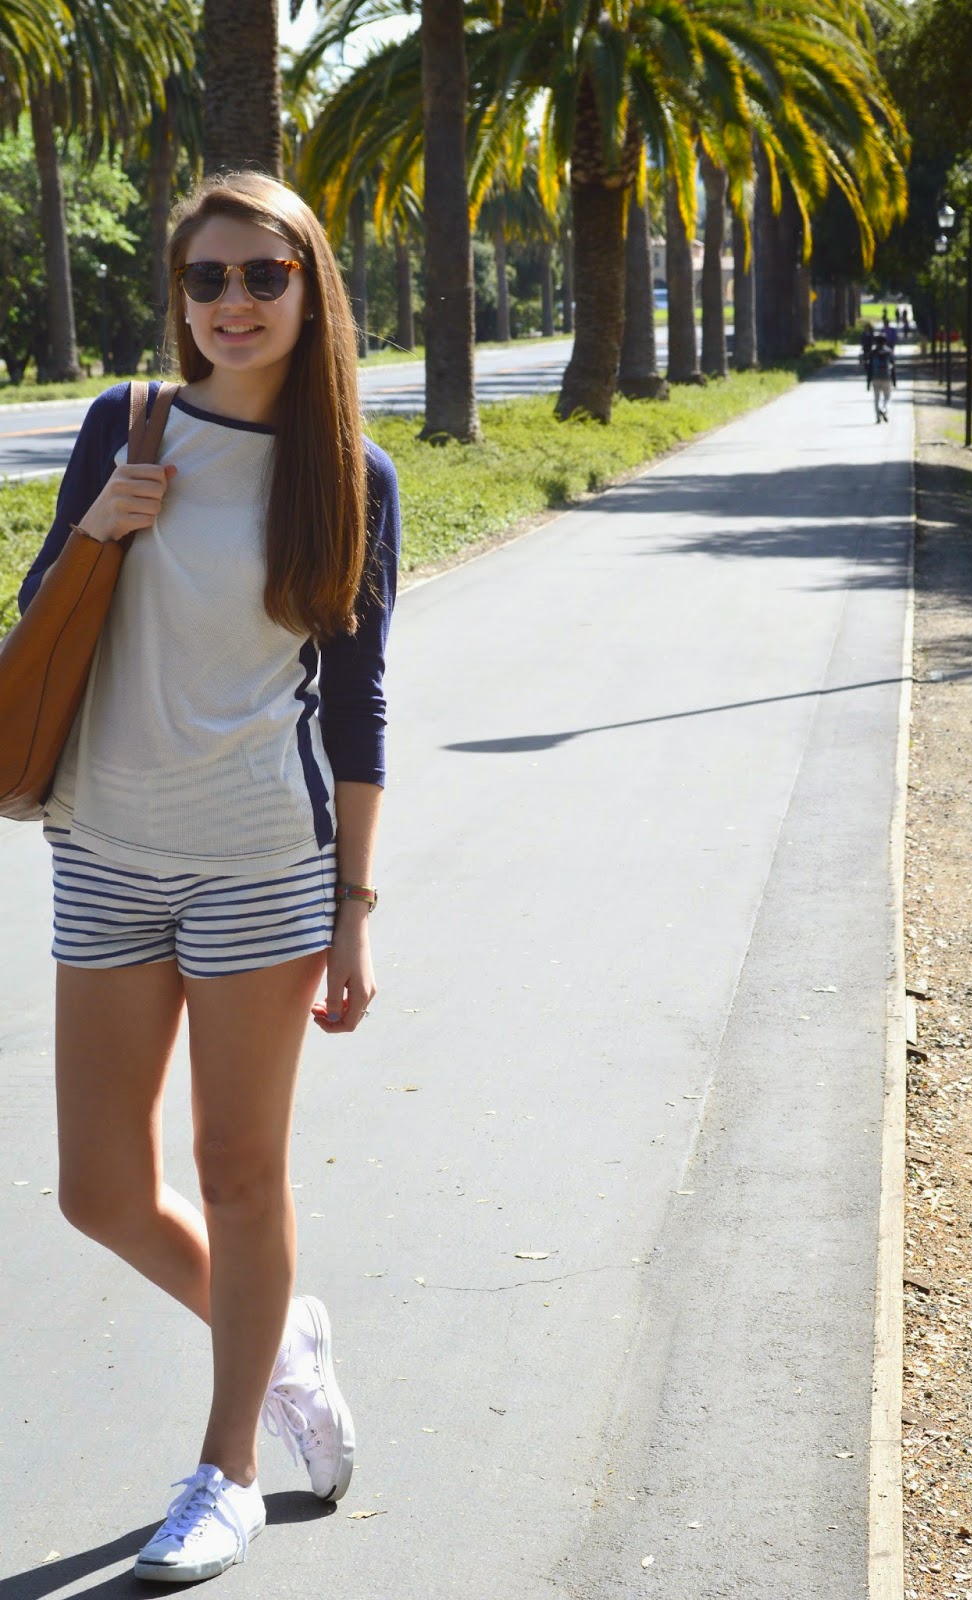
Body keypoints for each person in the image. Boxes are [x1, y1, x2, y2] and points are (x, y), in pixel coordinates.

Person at [17, 172, 400, 1584]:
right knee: (97, 1194)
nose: (233, 302)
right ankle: (277, 1330)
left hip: (263, 862)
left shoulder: (350, 476)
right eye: (207, 279)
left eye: (263, 275)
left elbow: (354, 706)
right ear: (177, 298)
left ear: (310, 289)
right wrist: (104, 524)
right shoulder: (127, 426)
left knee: (239, 1172)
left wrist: (354, 910)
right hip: (107, 847)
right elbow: (43, 613)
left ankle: (228, 1467)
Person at [867, 330, 896, 422]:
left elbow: (869, 368)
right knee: (887, 397)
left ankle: (877, 417)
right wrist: (894, 381)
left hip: (875, 377)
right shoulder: (889, 352)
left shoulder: (872, 353)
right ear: (885, 341)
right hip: (887, 377)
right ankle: (884, 409)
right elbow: (893, 367)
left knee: (876, 398)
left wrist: (868, 382)